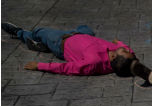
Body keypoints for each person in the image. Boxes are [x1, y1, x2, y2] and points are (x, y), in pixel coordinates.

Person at [1, 22, 135, 76]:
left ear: (113, 57)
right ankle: (43, 44)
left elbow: (67, 68)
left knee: (39, 31)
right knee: (85, 27)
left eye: (124, 51)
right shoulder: (121, 58)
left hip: (61, 42)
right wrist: (120, 43)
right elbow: (129, 52)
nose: (125, 49)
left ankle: (20, 33)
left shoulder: (92, 63)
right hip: (82, 35)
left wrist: (40, 65)